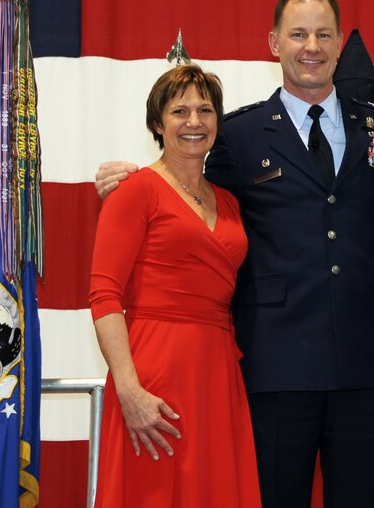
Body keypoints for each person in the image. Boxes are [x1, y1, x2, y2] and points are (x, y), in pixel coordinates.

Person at [95, 0, 374, 508]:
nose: (312, 46)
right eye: (298, 33)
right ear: (273, 43)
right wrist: (125, 177)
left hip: (365, 362)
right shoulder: (239, 135)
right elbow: (184, 189)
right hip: (276, 366)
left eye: (324, 34)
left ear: (336, 43)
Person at [89, 64, 261, 507]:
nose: (194, 121)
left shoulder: (228, 201)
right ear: (157, 123)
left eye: (205, 110)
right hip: (153, 374)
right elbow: (104, 296)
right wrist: (128, 392)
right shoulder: (133, 191)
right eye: (179, 110)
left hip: (217, 373)